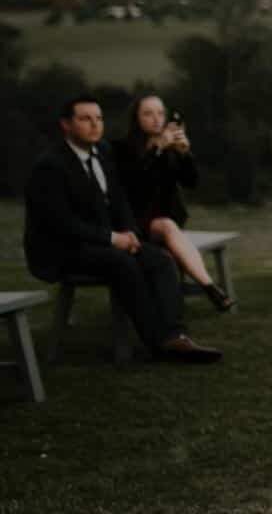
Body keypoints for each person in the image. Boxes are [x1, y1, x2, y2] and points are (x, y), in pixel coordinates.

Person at [23, 95, 219, 363]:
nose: (94, 124)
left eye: (99, 118)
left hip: (103, 242)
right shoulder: (50, 166)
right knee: (122, 262)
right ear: (66, 125)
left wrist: (129, 233)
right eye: (85, 119)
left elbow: (120, 201)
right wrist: (113, 238)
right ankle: (158, 341)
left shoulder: (102, 152)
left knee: (161, 260)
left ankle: (176, 336)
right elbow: (62, 224)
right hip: (63, 249)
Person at [115, 94, 233, 312]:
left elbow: (191, 182)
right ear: (136, 118)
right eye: (148, 113)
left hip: (167, 223)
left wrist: (185, 153)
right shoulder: (122, 149)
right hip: (134, 222)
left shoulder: (169, 148)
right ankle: (210, 286)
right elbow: (134, 184)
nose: (156, 119)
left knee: (168, 229)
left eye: (160, 113)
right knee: (166, 228)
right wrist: (157, 149)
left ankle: (195, 294)